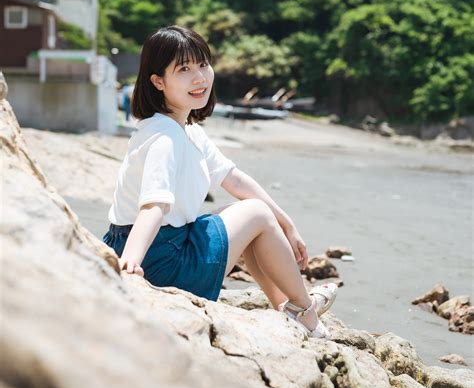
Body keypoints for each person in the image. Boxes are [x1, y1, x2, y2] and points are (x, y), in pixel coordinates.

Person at [103, 25, 337, 338]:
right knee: (255, 213)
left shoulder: (187, 130)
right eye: (184, 69)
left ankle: (286, 307)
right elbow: (153, 206)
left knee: (246, 215)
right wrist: (129, 265)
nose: (199, 77)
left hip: (161, 246)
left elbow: (233, 179)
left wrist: (287, 223)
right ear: (158, 81)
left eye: (202, 64)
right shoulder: (164, 138)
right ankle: (306, 314)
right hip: (159, 261)